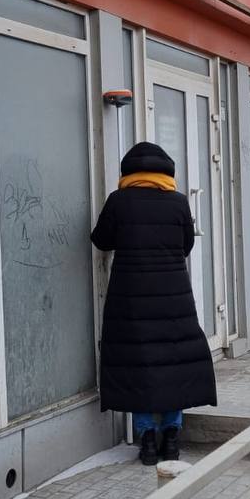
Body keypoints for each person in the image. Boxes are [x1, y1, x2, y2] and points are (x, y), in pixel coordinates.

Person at [91, 142, 217, 465]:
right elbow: (186, 245)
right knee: (174, 360)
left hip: (130, 297)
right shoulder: (178, 202)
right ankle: (172, 437)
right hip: (173, 295)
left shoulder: (119, 201)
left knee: (138, 362)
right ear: (166, 172)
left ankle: (147, 440)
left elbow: (101, 239)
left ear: (128, 172)